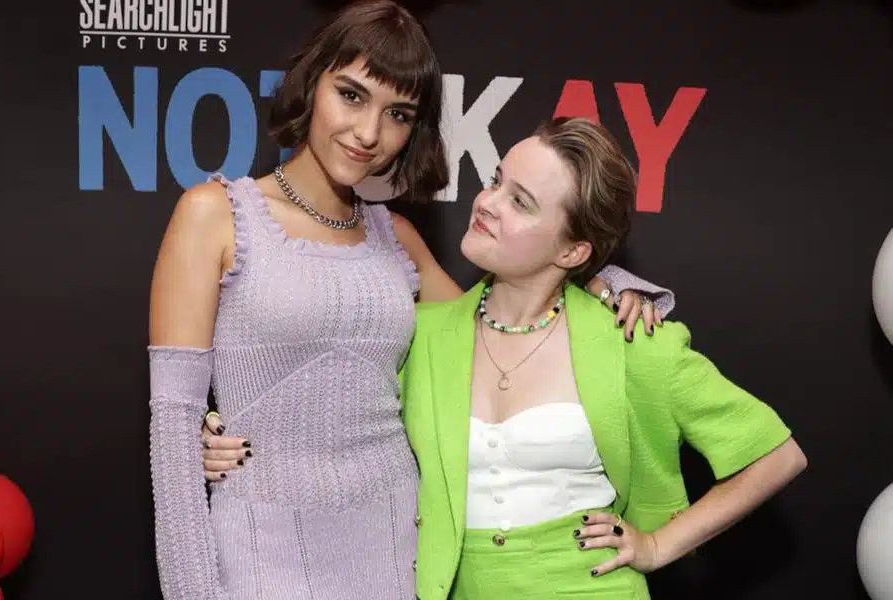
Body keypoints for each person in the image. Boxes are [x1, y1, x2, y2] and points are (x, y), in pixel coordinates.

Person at [151, 2, 673, 600]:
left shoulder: (395, 238)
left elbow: (502, 331)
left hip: (395, 544)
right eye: (351, 95)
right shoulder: (216, 215)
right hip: (259, 543)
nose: (368, 133)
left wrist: (605, 282)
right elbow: (172, 422)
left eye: (397, 113)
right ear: (313, 83)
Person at [203, 117, 806, 599]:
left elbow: (777, 456)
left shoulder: (631, 341)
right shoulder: (424, 334)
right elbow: (333, 412)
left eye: (521, 202)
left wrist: (656, 546)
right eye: (495, 182)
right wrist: (224, 435)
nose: (487, 203)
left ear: (573, 250)